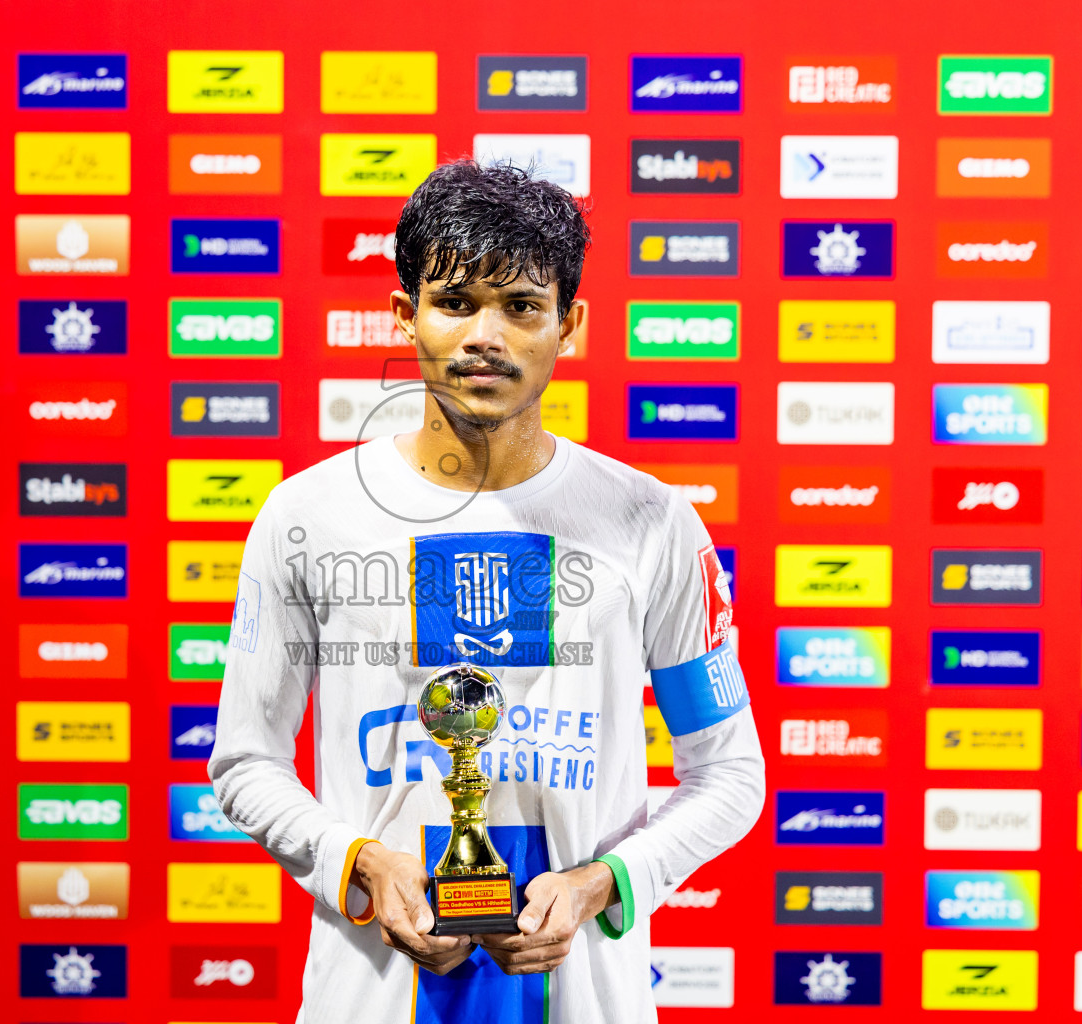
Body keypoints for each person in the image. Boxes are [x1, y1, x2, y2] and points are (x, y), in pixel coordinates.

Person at [209, 159, 765, 1023]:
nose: (485, 336)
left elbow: (729, 773)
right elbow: (247, 760)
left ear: (568, 324)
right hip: (370, 995)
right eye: (456, 302)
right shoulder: (307, 515)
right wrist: (359, 862)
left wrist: (601, 885)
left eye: (521, 306)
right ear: (406, 317)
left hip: (585, 999)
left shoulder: (652, 521)